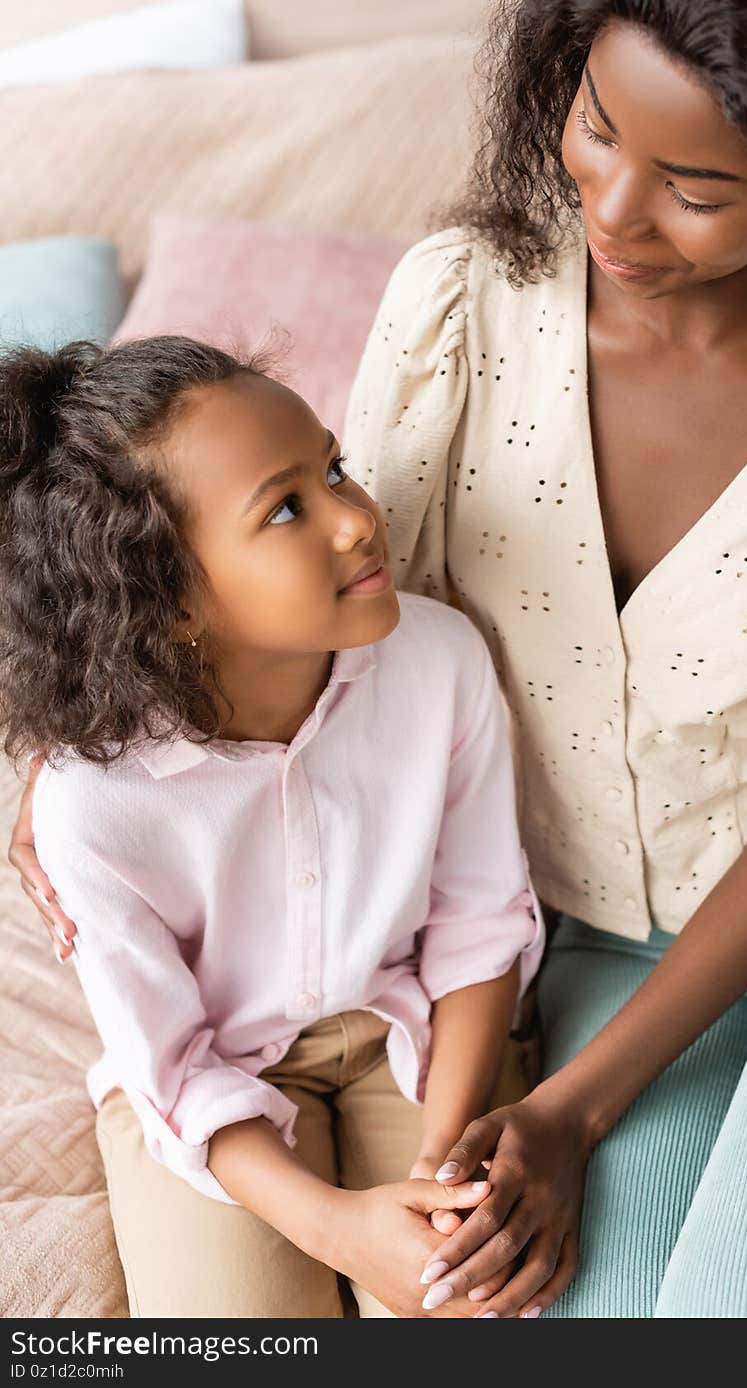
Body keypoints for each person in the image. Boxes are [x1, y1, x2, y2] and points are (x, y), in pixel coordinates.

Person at [13, 0, 747, 1319]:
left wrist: (570, 1114)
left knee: (743, 1308)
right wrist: (74, 744)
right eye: (596, 132)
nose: (614, 213)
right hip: (587, 929)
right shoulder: (469, 300)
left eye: (696, 189)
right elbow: (324, 597)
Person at [0, 335, 543, 1318]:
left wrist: (437, 1165)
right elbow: (169, 1063)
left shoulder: (441, 662)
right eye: (286, 508)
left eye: (333, 467)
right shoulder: (91, 803)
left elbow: (478, 924)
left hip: (414, 1034)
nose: (352, 519)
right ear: (165, 604)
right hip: (213, 1092)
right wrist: (337, 1227)